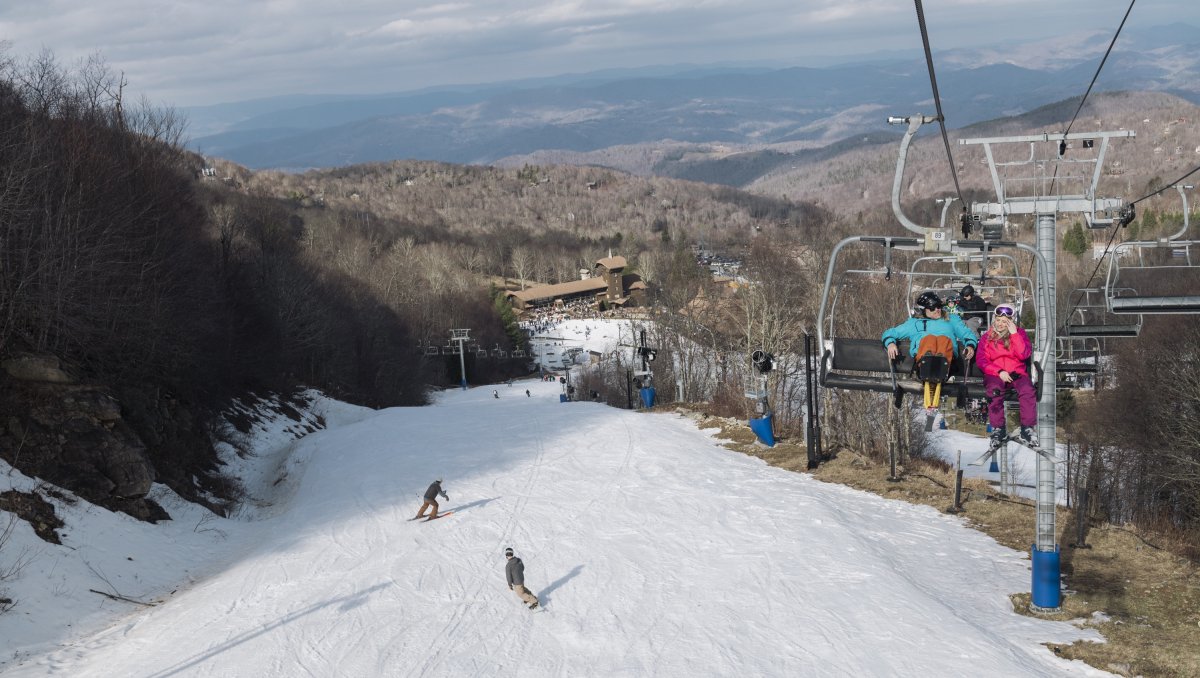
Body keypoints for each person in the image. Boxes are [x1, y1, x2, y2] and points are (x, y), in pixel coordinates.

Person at [882, 292, 978, 409]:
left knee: (943, 340)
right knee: (929, 339)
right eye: (932, 308)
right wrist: (890, 343)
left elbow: (966, 333)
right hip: (922, 364)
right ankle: (928, 359)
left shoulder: (951, 319)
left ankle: (939, 361)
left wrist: (970, 345)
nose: (937, 310)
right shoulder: (915, 323)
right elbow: (891, 333)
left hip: (947, 363)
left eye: (939, 306)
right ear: (924, 310)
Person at [976, 303, 1038, 450]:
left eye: (1005, 321)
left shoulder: (1020, 334)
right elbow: (982, 360)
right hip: (996, 374)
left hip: (1017, 372)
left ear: (1011, 322)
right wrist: (998, 372)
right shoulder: (987, 337)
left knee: (1027, 391)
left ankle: (1027, 428)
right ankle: (998, 429)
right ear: (994, 320)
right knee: (994, 391)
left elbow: (1024, 354)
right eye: (998, 320)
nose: (1001, 324)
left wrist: (1014, 334)